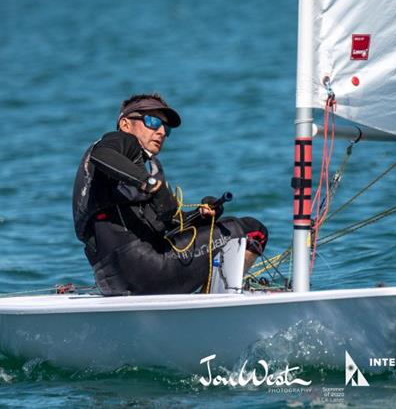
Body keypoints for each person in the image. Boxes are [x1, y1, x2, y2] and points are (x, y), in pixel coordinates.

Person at [72, 93, 269, 295]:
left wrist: (201, 217)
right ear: (125, 124)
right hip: (146, 268)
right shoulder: (120, 142)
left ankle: (207, 303)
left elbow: (165, 228)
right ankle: (214, 307)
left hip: (113, 279)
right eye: (152, 122)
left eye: (166, 128)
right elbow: (102, 155)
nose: (161, 132)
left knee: (214, 227)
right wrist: (149, 184)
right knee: (253, 230)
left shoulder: (136, 171)